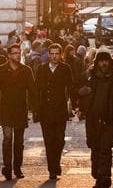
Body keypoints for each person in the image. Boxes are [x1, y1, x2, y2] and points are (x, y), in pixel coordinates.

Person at [77, 47, 113, 188]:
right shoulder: (88, 76)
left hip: (110, 120)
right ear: (97, 62)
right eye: (101, 61)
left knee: (105, 149)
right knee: (95, 147)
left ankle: (104, 178)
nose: (104, 64)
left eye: (106, 61)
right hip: (92, 120)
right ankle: (97, 174)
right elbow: (77, 92)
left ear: (110, 61)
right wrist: (81, 97)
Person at [0, 44, 37, 181]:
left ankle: (17, 167)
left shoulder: (26, 70)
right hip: (6, 110)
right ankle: (7, 167)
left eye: (18, 53)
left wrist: (36, 110)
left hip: (21, 110)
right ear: (8, 55)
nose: (16, 55)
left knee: (19, 141)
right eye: (14, 53)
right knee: (7, 139)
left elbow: (33, 92)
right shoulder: (0, 70)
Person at [33, 43, 75, 180]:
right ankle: (52, 169)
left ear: (61, 55)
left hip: (60, 110)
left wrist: (75, 106)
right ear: (48, 54)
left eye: (57, 53)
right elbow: (36, 89)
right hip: (45, 111)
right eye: (52, 53)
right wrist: (35, 109)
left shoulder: (65, 68)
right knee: (49, 140)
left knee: (59, 140)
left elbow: (71, 88)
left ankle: (56, 163)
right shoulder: (41, 69)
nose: (54, 56)